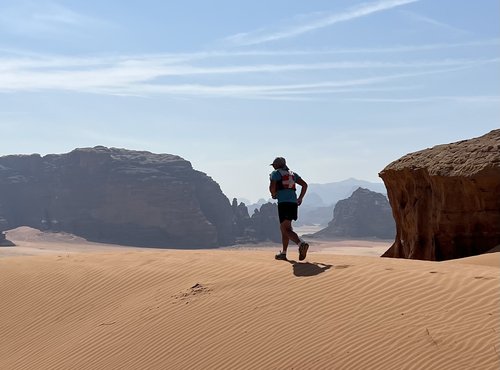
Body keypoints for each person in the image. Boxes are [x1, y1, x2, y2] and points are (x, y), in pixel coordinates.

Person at [269, 157, 309, 261]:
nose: (273, 167)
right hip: (293, 203)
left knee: (285, 229)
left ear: (277, 165)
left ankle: (301, 244)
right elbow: (304, 185)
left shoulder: (276, 173)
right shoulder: (293, 174)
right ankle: (284, 253)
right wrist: (300, 198)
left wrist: (273, 194)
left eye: (273, 165)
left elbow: (272, 187)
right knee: (286, 228)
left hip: (284, 203)